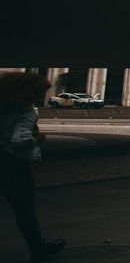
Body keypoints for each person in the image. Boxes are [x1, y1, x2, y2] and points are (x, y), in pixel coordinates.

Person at [0, 72, 66, 261]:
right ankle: (37, 247)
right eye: (38, 93)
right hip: (12, 165)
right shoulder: (26, 112)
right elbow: (21, 140)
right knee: (24, 209)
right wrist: (38, 138)